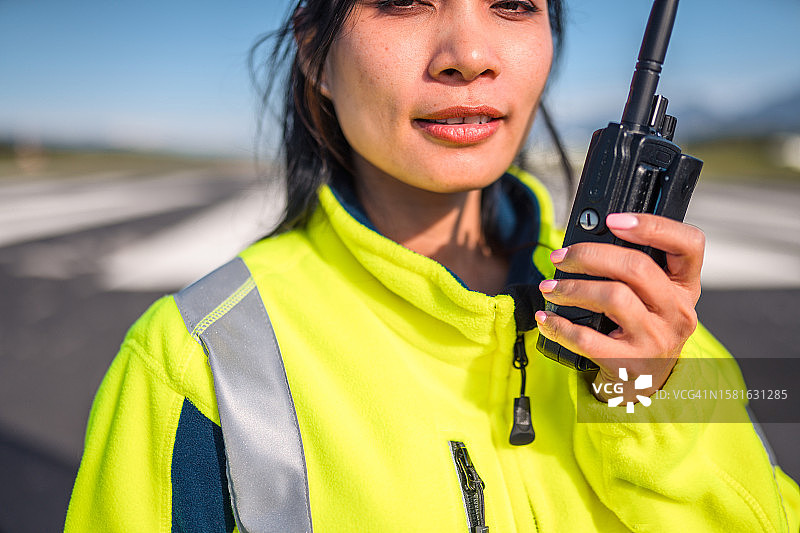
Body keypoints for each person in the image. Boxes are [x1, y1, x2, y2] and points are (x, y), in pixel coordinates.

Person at [65, 0, 800, 531]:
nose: (469, 54)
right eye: (402, 2)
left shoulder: (646, 318)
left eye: (512, 4)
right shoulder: (195, 360)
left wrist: (649, 399)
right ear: (316, 52)